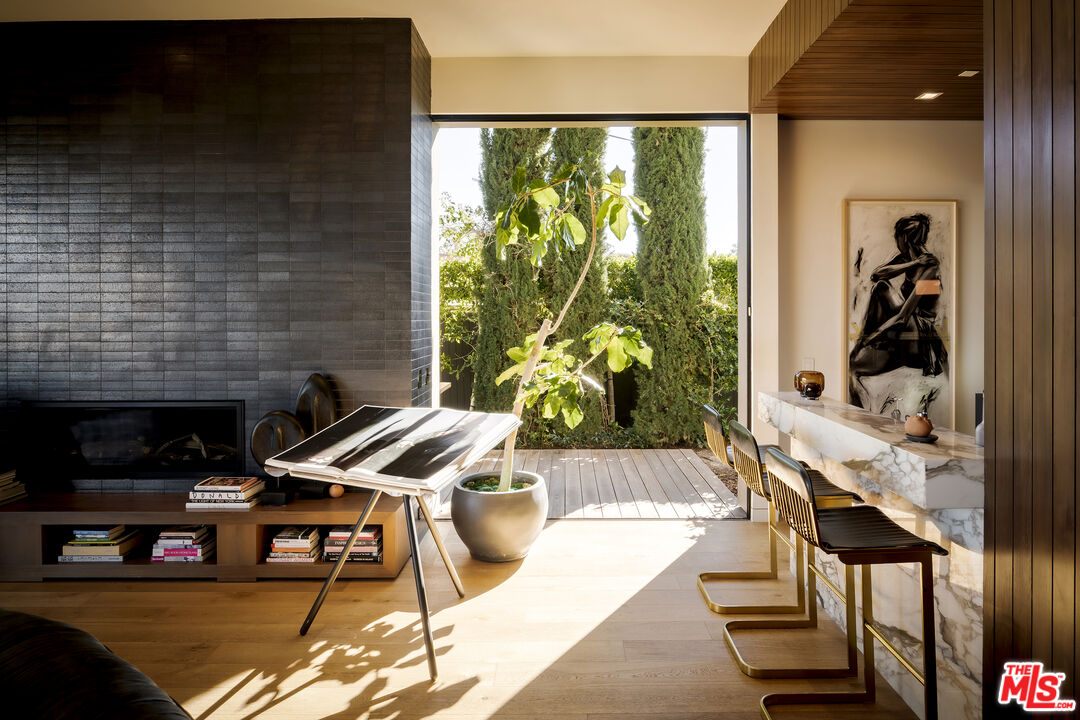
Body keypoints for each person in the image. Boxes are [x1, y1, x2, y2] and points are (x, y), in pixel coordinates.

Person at [849, 213, 948, 410]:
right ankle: (863, 342)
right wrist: (912, 263)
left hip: (919, 331)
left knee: (882, 290)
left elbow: (903, 316)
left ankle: (864, 340)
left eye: (897, 236)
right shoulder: (909, 259)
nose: (896, 240)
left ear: (904, 238)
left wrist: (874, 336)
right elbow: (877, 275)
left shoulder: (930, 267)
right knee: (881, 287)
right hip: (905, 323)